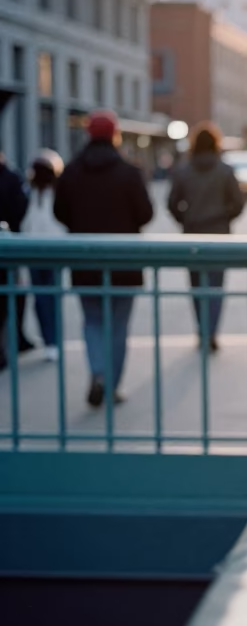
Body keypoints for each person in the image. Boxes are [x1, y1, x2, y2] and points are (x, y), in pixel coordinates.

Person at [54, 109, 154, 407]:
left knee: (93, 321)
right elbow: (146, 213)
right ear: (115, 135)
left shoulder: (71, 171)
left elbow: (60, 212)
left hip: (85, 262)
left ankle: (98, 372)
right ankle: (110, 384)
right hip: (123, 264)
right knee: (118, 326)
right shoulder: (129, 172)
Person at [167, 122, 245, 352]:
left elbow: (172, 203)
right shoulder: (225, 170)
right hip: (220, 237)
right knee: (215, 288)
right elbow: (238, 204)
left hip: (192, 237)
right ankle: (211, 331)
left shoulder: (184, 170)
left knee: (196, 287)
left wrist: (186, 218)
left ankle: (201, 330)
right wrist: (223, 217)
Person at [22, 150, 66, 361]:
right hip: (52, 250)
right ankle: (52, 340)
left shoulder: (33, 193)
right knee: (49, 298)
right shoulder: (37, 193)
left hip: (36, 250)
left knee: (42, 298)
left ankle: (51, 340)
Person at [0, 152, 30, 372]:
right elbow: (21, 209)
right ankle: (16, 338)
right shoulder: (11, 177)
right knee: (13, 296)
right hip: (9, 248)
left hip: (8, 244)